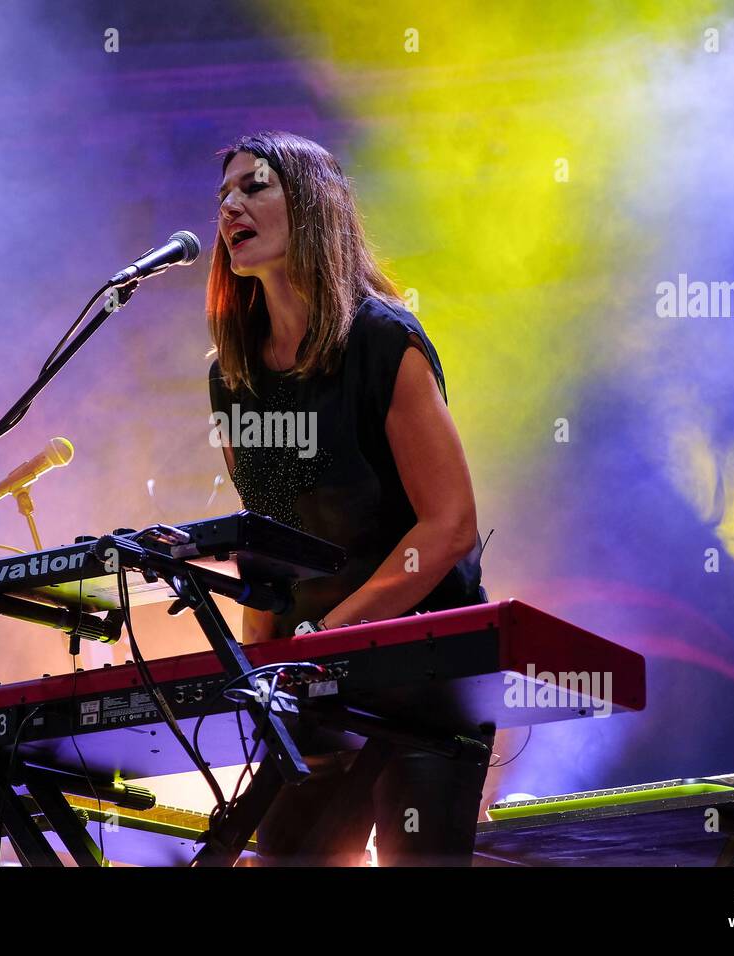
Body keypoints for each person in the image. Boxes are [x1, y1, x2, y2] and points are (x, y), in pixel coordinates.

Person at [206, 131, 488, 865]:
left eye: (254, 186)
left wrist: (327, 638)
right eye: (224, 194)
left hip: (421, 672)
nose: (231, 204)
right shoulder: (233, 373)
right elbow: (264, 539)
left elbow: (450, 524)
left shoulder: (382, 341)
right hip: (310, 682)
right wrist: (256, 667)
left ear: (314, 204)